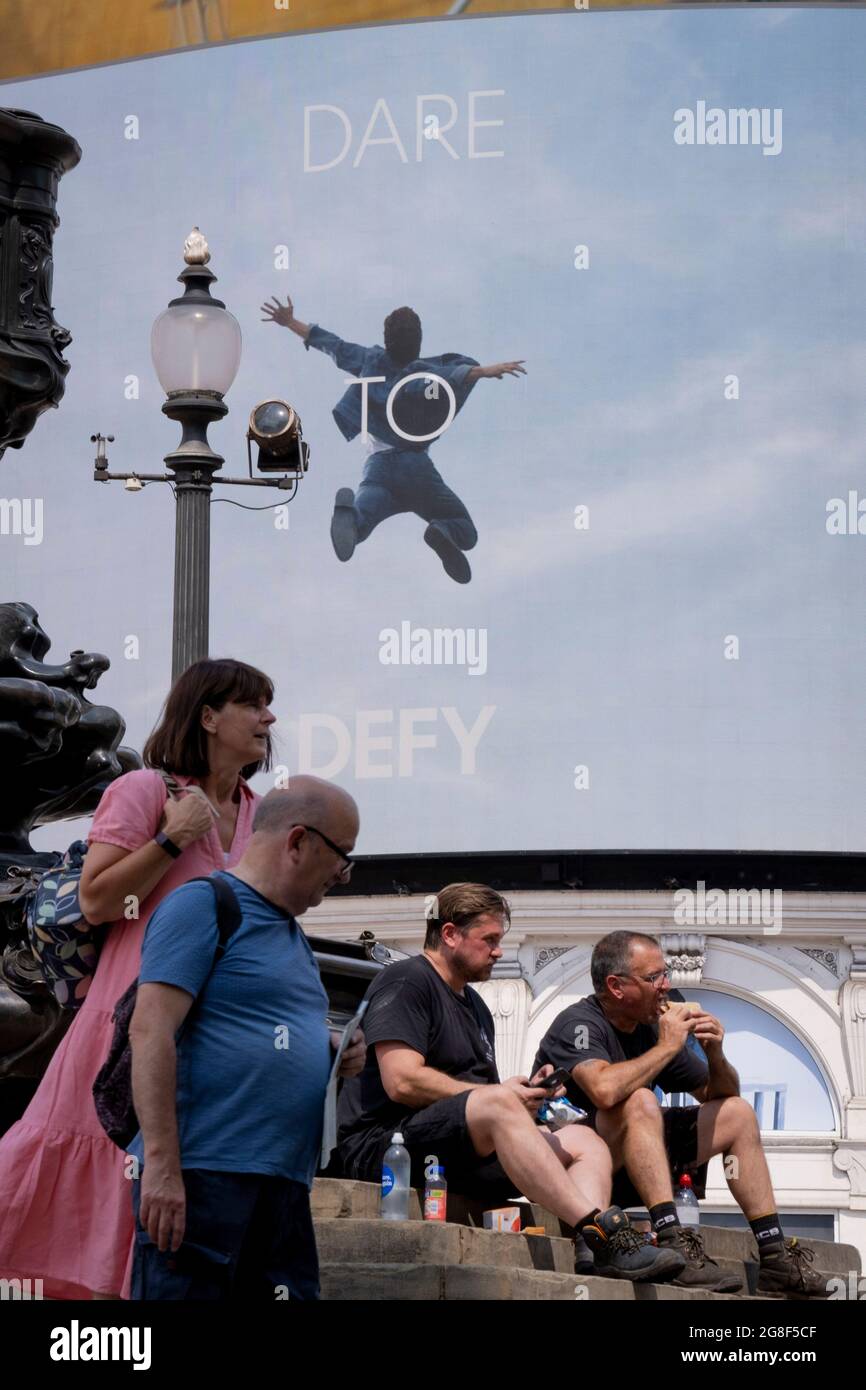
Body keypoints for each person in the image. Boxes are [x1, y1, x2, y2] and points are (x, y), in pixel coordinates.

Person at [0, 658, 275, 1300]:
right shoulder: (146, 792)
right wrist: (172, 842)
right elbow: (96, 901)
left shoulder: (264, 816)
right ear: (207, 716)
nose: (270, 718)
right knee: (96, 1239)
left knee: (164, 1235)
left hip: (213, 1046)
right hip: (122, 1033)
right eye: (254, 704)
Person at [337, 883, 682, 1282]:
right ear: (450, 935)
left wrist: (524, 1092)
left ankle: (591, 1253)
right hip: (386, 1149)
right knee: (500, 1103)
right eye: (490, 940)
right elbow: (401, 1080)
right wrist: (500, 1098)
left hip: (457, 1150)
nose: (498, 951)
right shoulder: (407, 981)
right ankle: (604, 1232)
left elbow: (480, 1099)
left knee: (585, 1140)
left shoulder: (476, 1006)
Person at [127, 778, 364, 1301]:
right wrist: (163, 1166)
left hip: (280, 1188)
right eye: (342, 856)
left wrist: (331, 1048)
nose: (344, 875)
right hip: (204, 1177)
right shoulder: (204, 905)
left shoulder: (294, 938)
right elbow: (149, 1030)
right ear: (298, 841)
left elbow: (259, 1025)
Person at [532, 930, 831, 1296]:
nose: (665, 985)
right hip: (578, 1173)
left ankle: (776, 1258)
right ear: (616, 986)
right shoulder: (578, 1023)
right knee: (640, 1100)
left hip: (640, 1161)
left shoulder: (651, 1028)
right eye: (653, 977)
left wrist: (715, 1052)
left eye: (665, 974)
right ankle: (675, 1242)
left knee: (736, 1113)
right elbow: (604, 1090)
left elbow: (719, 1095)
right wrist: (668, 1044)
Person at [261, 295, 525, 584]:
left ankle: (353, 518)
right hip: (417, 472)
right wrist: (484, 371)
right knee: (466, 530)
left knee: (359, 526)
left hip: (377, 473)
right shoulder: (423, 373)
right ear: (418, 342)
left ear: (386, 340)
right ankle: (442, 531)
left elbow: (333, 345)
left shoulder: (369, 361)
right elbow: (451, 376)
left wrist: (290, 322)